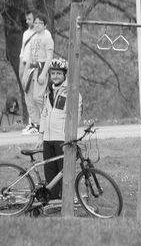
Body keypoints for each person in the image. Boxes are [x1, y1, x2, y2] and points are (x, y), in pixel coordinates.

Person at [36, 58, 82, 201]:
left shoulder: (71, 92)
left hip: (62, 139)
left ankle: (67, 198)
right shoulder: (47, 91)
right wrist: (40, 135)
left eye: (58, 73)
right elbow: (44, 113)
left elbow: (76, 116)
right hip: (47, 139)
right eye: (53, 73)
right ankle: (54, 198)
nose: (55, 76)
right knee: (50, 171)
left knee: (64, 170)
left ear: (64, 75)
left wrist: (69, 136)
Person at [22, 13, 54, 135]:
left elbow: (49, 56)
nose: (37, 25)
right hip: (32, 69)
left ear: (45, 25)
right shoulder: (33, 38)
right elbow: (29, 57)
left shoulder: (47, 38)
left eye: (40, 23)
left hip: (41, 69)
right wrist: (25, 74)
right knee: (29, 97)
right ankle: (37, 124)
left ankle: (49, 118)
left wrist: (44, 73)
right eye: (35, 22)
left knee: (38, 97)